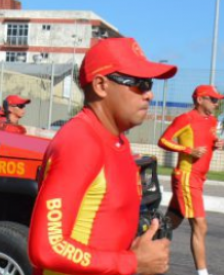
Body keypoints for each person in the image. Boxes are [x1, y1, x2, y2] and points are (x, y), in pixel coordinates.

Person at [28, 38, 174, 275]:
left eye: (149, 83)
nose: (149, 94)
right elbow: (47, 249)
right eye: (139, 83)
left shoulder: (119, 141)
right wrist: (132, 262)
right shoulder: (80, 142)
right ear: (100, 85)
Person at [158, 84, 224, 275]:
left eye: (217, 100)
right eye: (213, 99)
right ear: (199, 100)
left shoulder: (212, 121)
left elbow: (207, 142)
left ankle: (139, 248)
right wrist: (188, 150)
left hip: (199, 178)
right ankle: (202, 273)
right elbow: (163, 140)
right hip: (187, 177)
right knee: (200, 224)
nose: (216, 103)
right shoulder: (185, 119)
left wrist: (216, 145)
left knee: (171, 223)